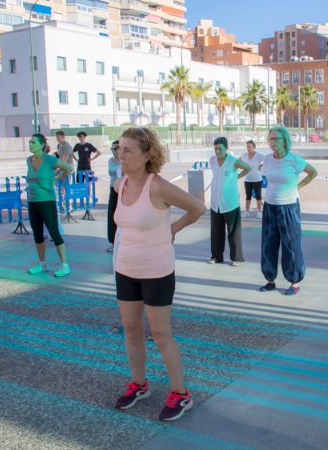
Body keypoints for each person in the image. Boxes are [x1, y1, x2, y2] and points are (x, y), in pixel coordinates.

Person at [113, 127, 206, 421]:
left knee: (161, 333)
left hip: (157, 270)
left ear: (147, 155)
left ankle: (181, 394)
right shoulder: (120, 185)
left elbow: (197, 208)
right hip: (125, 269)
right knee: (131, 330)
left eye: (128, 150)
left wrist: (173, 229)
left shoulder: (158, 186)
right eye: (119, 149)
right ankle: (139, 384)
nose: (121, 155)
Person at [259, 125, 318, 295]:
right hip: (270, 207)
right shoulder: (268, 160)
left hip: (289, 207)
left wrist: (298, 186)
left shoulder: (295, 160)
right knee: (268, 245)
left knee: (291, 246)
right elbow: (269, 180)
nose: (271, 142)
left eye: (275, 139)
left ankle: (294, 282)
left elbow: (313, 172)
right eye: (270, 139)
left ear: (284, 140)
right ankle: (270, 280)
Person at [25, 134, 74, 277]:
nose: (31, 144)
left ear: (42, 145)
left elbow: (69, 168)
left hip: (47, 201)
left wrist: (56, 179)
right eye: (30, 142)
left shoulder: (50, 160)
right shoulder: (29, 160)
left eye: (33, 142)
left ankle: (64, 265)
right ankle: (42, 264)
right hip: (33, 201)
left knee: (54, 232)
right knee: (37, 234)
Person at [209, 137, 251, 266]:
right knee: (216, 231)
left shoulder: (233, 161)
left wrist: (236, 177)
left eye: (220, 149)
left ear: (226, 148)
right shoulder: (212, 160)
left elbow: (247, 168)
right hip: (215, 203)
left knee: (233, 232)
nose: (217, 151)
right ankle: (216, 256)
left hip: (230, 202)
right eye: (215, 148)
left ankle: (236, 258)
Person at [240, 140, 266, 218]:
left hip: (257, 179)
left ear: (254, 147)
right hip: (247, 180)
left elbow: (267, 160)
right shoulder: (244, 155)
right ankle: (247, 211)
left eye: (250, 147)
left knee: (258, 196)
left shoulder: (259, 155)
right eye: (247, 147)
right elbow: (239, 162)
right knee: (248, 196)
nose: (248, 148)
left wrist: (261, 166)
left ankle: (259, 212)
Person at [107, 140, 122, 252]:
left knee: (121, 214)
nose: (114, 151)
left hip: (122, 190)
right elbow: (111, 174)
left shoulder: (123, 161)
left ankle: (122, 240)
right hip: (113, 189)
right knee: (112, 214)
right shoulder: (110, 161)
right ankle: (112, 241)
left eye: (116, 148)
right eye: (112, 149)